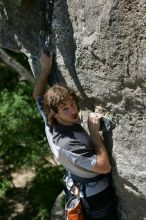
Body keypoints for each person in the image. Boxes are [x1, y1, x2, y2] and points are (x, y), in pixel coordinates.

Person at [33, 51, 118, 220]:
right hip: (96, 197)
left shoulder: (50, 121)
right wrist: (94, 133)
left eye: (72, 103)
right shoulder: (69, 144)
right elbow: (104, 167)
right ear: (55, 114)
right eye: (65, 109)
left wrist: (46, 69)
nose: (73, 110)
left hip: (75, 184)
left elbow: (37, 96)